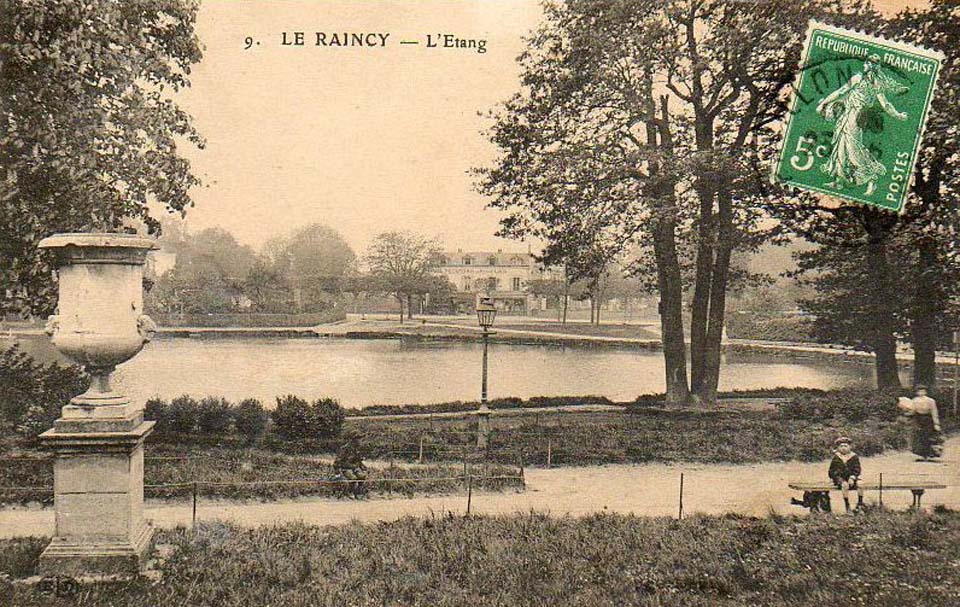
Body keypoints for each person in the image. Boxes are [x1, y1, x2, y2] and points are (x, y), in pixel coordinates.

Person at [816, 54, 909, 195]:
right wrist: (824, 103)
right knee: (841, 145)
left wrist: (898, 115)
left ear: (871, 66)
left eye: (866, 63)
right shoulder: (858, 78)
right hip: (846, 114)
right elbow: (840, 92)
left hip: (857, 117)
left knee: (853, 148)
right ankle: (839, 181)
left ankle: (871, 177)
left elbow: (885, 104)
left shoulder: (875, 83)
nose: (864, 65)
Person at [828, 436, 864, 513]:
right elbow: (831, 471)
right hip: (840, 478)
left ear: (850, 447)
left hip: (852, 478)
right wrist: (838, 478)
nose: (843, 448)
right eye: (841, 446)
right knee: (845, 485)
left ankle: (860, 504)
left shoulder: (854, 456)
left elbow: (857, 469)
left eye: (845, 446)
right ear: (838, 448)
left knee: (861, 484)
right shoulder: (837, 457)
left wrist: (853, 477)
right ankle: (847, 505)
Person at [907, 385, 942, 461]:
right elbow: (912, 411)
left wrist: (936, 423)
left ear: (926, 392)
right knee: (919, 436)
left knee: (928, 436)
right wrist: (907, 412)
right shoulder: (914, 400)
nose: (921, 393)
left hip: (928, 419)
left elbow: (934, 412)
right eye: (919, 391)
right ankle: (922, 454)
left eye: (923, 391)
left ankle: (929, 453)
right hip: (918, 419)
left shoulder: (931, 401)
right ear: (917, 392)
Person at [333, 431, 368, 498]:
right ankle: (349, 492)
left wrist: (363, 466)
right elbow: (337, 461)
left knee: (362, 476)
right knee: (353, 478)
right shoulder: (345, 448)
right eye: (359, 439)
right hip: (346, 468)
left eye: (360, 439)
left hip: (355, 468)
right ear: (354, 440)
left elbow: (358, 460)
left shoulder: (357, 449)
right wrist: (337, 473)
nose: (360, 441)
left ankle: (358, 492)